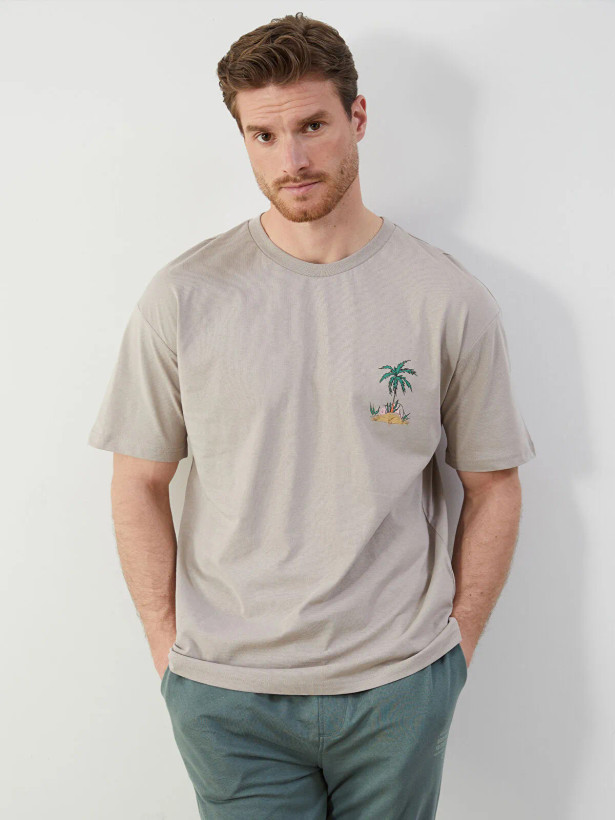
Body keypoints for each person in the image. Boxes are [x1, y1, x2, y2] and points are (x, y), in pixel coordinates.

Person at [87, 11, 536, 819]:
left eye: (311, 127)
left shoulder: (445, 297)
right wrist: (168, 650)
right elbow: (137, 481)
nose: (290, 160)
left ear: (356, 117)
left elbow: (493, 483)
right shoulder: (184, 297)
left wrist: (453, 651)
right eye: (262, 136)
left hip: (398, 687)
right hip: (226, 695)